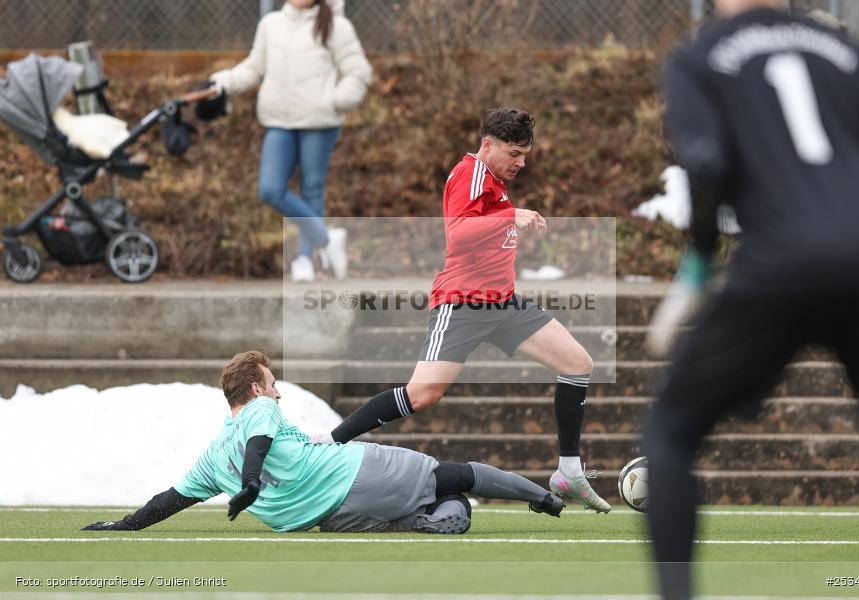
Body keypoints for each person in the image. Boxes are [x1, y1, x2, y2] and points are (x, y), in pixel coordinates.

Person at [644, 0, 859, 598]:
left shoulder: (700, 55)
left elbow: (706, 167)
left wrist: (698, 267)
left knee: (670, 433)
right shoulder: (844, 50)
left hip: (778, 265)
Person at [319, 108, 612, 514]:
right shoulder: (470, 174)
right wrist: (512, 215)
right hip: (462, 303)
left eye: (525, 154)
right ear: (487, 144)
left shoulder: (493, 179)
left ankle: (568, 473)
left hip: (503, 303)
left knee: (578, 363)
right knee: (423, 395)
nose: (521, 162)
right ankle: (329, 443)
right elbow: (457, 234)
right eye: (514, 153)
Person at [81, 351, 565, 535]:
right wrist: (250, 481)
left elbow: (174, 499)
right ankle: (543, 498)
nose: (276, 390)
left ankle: (410, 520)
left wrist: (125, 525)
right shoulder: (260, 411)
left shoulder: (211, 457)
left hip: (324, 515)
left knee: (418, 499)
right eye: (271, 383)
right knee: (459, 478)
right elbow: (260, 440)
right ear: (254, 390)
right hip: (359, 471)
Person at [209, 0, 372, 282]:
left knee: (312, 189)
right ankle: (326, 239)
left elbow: (358, 72)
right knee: (270, 190)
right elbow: (253, 68)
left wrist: (337, 101)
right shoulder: (270, 24)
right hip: (279, 122)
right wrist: (224, 82)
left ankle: (305, 260)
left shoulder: (336, 25)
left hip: (319, 123)